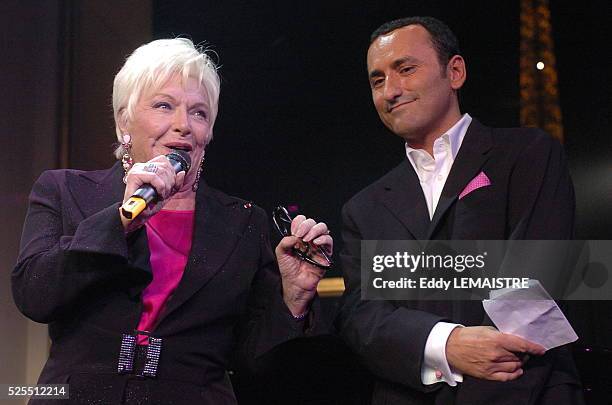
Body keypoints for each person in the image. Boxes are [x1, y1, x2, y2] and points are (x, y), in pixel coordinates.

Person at [12, 38, 332, 404]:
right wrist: (119, 222)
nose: (183, 125)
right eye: (164, 105)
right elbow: (34, 295)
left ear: (209, 132)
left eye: (198, 113)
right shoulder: (65, 190)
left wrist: (294, 296)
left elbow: (252, 361)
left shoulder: (243, 222)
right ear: (124, 120)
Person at [335, 17, 584, 404]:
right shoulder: (362, 209)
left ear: (455, 72)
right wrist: (446, 345)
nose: (391, 91)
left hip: (525, 391)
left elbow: (537, 280)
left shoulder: (528, 154)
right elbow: (361, 316)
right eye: (377, 80)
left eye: (405, 69)